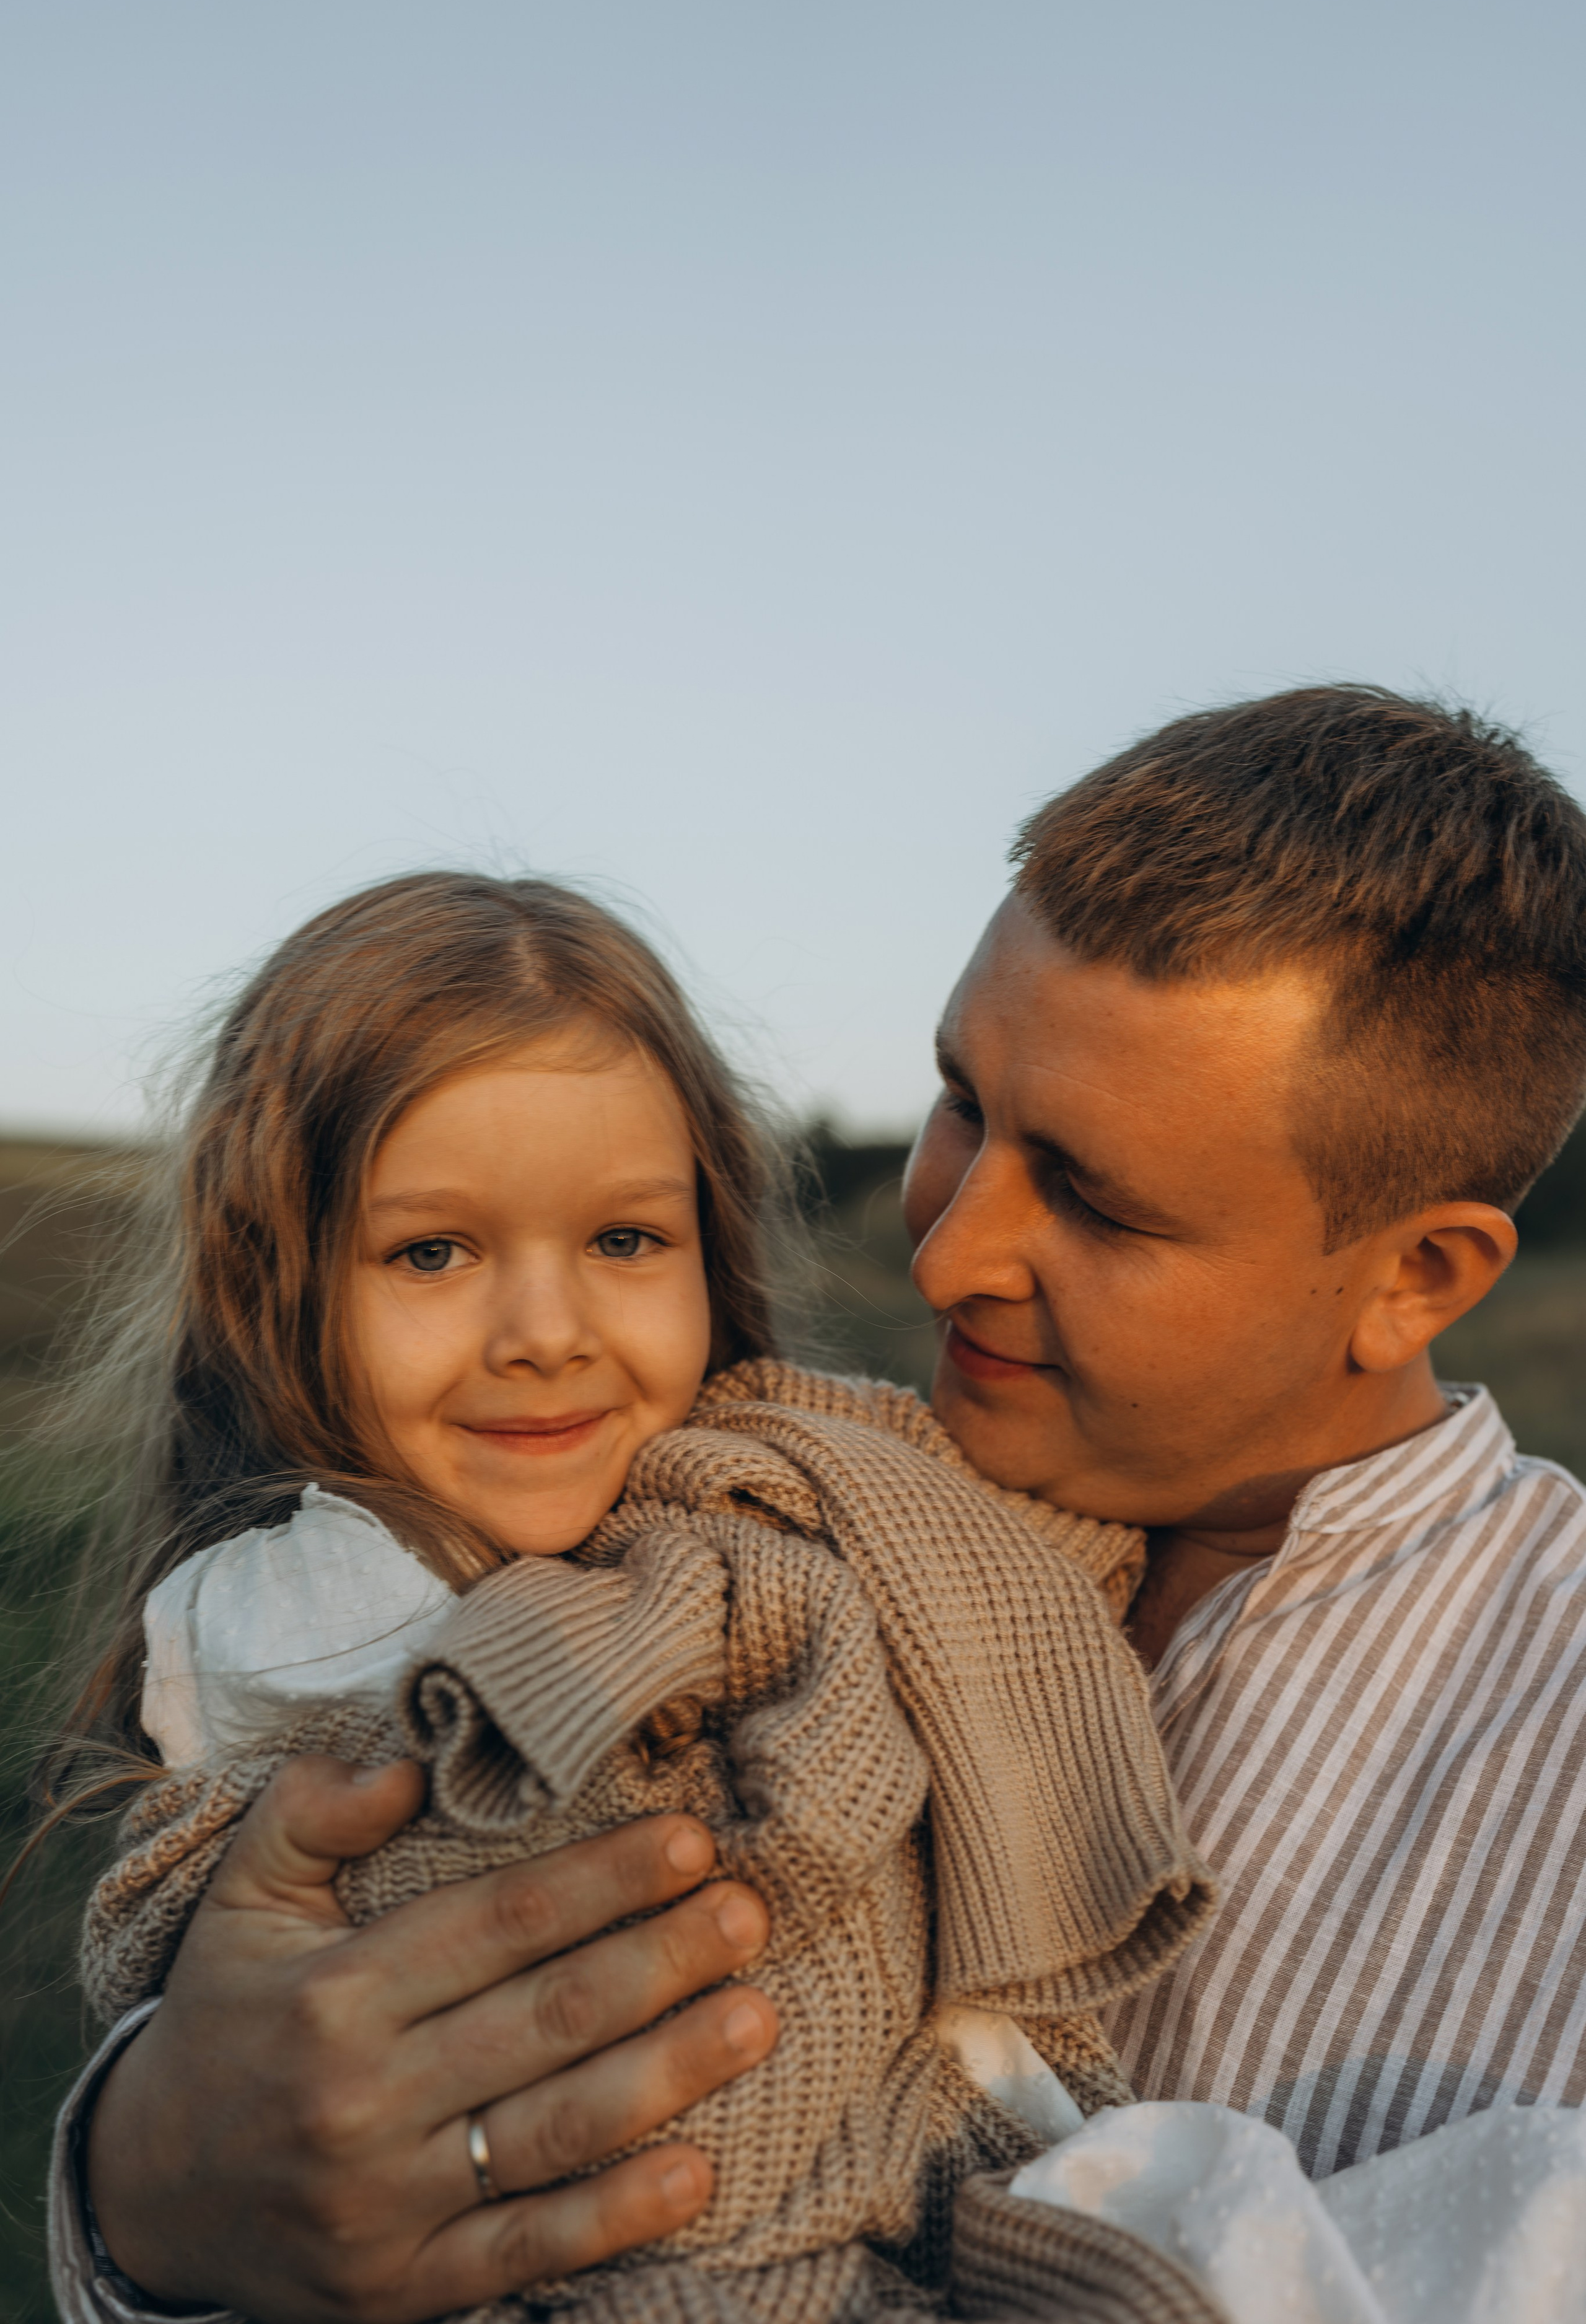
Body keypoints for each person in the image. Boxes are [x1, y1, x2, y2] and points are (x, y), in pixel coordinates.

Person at [60, 683, 1586, 2318]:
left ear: (1419, 1277)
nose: (946, 1253)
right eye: (962, 1104)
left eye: (1093, 1200)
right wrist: (150, 2184)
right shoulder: (715, 1496)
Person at [46, 869, 1212, 2324]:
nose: (546, 1334)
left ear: (708, 1250)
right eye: (431, 1253)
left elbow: (1010, 1567)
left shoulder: (787, 1493)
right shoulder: (303, 1619)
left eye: (621, 1242)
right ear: (274, 1288)